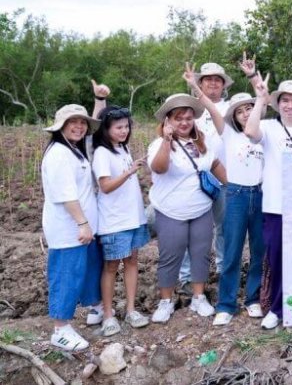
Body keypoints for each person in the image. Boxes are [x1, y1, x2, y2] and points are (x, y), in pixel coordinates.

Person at [244, 76, 292, 330]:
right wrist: (260, 99)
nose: (290, 105)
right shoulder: (268, 127)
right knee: (276, 256)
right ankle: (277, 309)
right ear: (278, 104)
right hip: (276, 204)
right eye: (285, 100)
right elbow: (249, 131)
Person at [148, 94, 227, 324]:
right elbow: (160, 168)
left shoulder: (201, 144)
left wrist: (233, 184)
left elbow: (214, 164)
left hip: (201, 209)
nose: (184, 122)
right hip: (171, 210)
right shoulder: (158, 145)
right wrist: (166, 140)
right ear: (168, 121)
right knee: (170, 256)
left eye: (188, 118)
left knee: (200, 254)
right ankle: (165, 301)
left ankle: (199, 297)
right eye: (178, 118)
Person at [193, 87, 267, 326]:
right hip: (235, 194)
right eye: (240, 111)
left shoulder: (263, 134)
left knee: (258, 250)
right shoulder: (228, 134)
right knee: (232, 250)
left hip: (260, 194)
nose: (245, 114)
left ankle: (253, 299)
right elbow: (213, 109)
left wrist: (260, 91)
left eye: (249, 108)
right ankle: (226, 304)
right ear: (233, 116)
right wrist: (196, 88)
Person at [42, 104, 102, 351]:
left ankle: (96, 308)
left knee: (88, 269)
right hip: (69, 229)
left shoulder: (74, 150)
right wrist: (83, 223)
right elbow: (66, 195)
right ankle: (60, 329)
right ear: (60, 127)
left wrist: (99, 101)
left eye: (82, 122)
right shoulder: (58, 154)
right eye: (72, 122)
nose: (78, 126)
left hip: (82, 228)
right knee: (67, 274)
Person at [92, 106, 150, 336]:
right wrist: (129, 172)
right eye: (118, 127)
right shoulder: (101, 153)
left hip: (132, 217)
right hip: (114, 221)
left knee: (132, 261)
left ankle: (131, 310)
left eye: (126, 126)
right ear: (106, 129)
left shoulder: (122, 149)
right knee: (111, 266)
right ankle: (107, 315)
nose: (124, 131)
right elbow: (105, 186)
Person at [191, 62, 234, 277]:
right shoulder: (190, 108)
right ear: (200, 83)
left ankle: (222, 267)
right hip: (194, 178)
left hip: (224, 176)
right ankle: (192, 274)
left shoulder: (231, 107)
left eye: (218, 79)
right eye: (208, 79)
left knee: (224, 227)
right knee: (195, 229)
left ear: (223, 84)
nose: (213, 82)